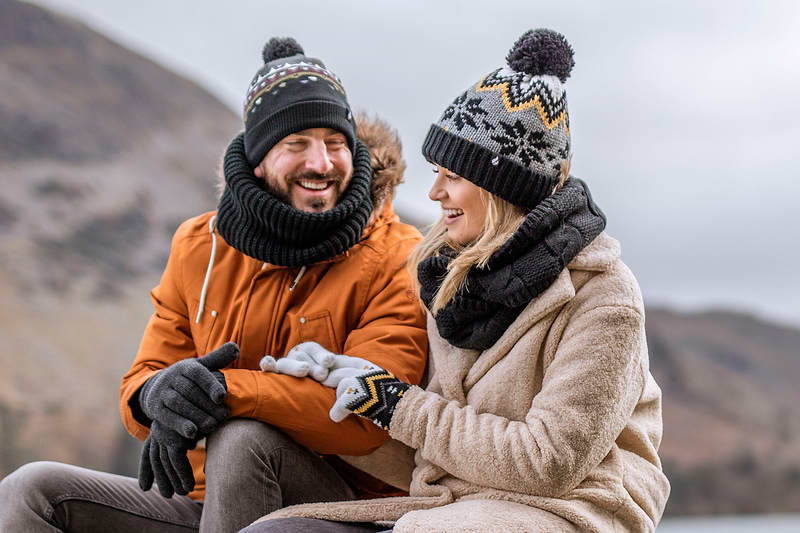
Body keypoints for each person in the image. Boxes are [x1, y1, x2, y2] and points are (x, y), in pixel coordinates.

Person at [244, 29, 670, 533]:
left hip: (575, 510)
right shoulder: (451, 276)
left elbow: (547, 462)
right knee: (278, 532)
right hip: (450, 503)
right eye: (435, 170)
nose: (434, 191)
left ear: (501, 187)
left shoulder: (603, 297)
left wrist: (391, 400)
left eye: (453, 175)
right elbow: (437, 450)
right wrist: (342, 386)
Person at [0, 37, 428, 532]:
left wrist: (225, 391)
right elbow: (144, 378)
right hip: (206, 502)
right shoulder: (199, 244)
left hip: (342, 508)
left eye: (336, 144)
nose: (322, 163)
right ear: (259, 157)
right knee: (31, 491)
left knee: (241, 437)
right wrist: (158, 393)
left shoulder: (400, 255)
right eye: (297, 144)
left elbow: (364, 418)